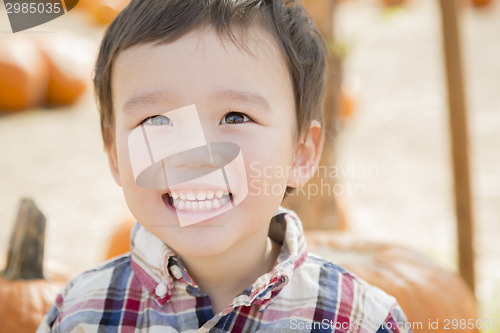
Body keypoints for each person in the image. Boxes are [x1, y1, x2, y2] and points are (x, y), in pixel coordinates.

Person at [38, 0, 411, 332]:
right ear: (115, 155)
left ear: (301, 154)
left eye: (235, 117)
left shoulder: (363, 321)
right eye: (156, 120)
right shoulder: (78, 314)